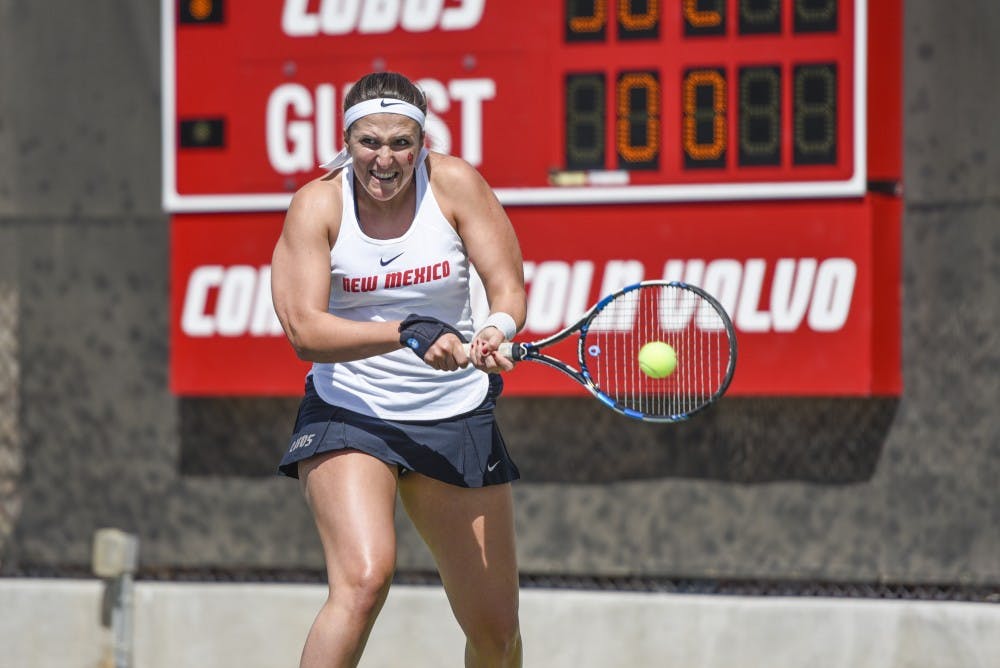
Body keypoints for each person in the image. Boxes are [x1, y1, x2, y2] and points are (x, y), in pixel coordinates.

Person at [270, 71, 527, 668]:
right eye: (369, 142)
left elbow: (507, 287)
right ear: (347, 141)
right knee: (363, 579)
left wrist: (495, 329)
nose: (384, 159)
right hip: (351, 412)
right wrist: (406, 332)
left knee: (498, 634)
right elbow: (304, 332)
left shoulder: (457, 185)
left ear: (421, 143)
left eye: (400, 143)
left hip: (457, 415)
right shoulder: (316, 205)